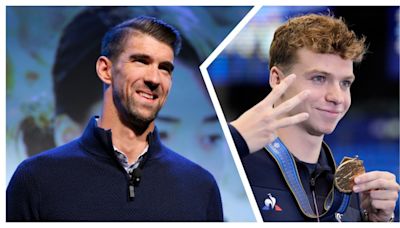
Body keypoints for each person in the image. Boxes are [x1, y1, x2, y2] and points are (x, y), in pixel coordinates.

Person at [7, 16, 223, 221]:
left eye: (164, 68)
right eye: (141, 61)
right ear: (105, 70)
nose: (154, 78)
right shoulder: (37, 179)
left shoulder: (200, 187)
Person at [229, 13, 400, 222]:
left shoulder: (352, 194)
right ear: (277, 79)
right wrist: (233, 138)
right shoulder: (232, 166)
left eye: (345, 83)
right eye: (319, 78)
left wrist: (379, 222)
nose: (337, 97)